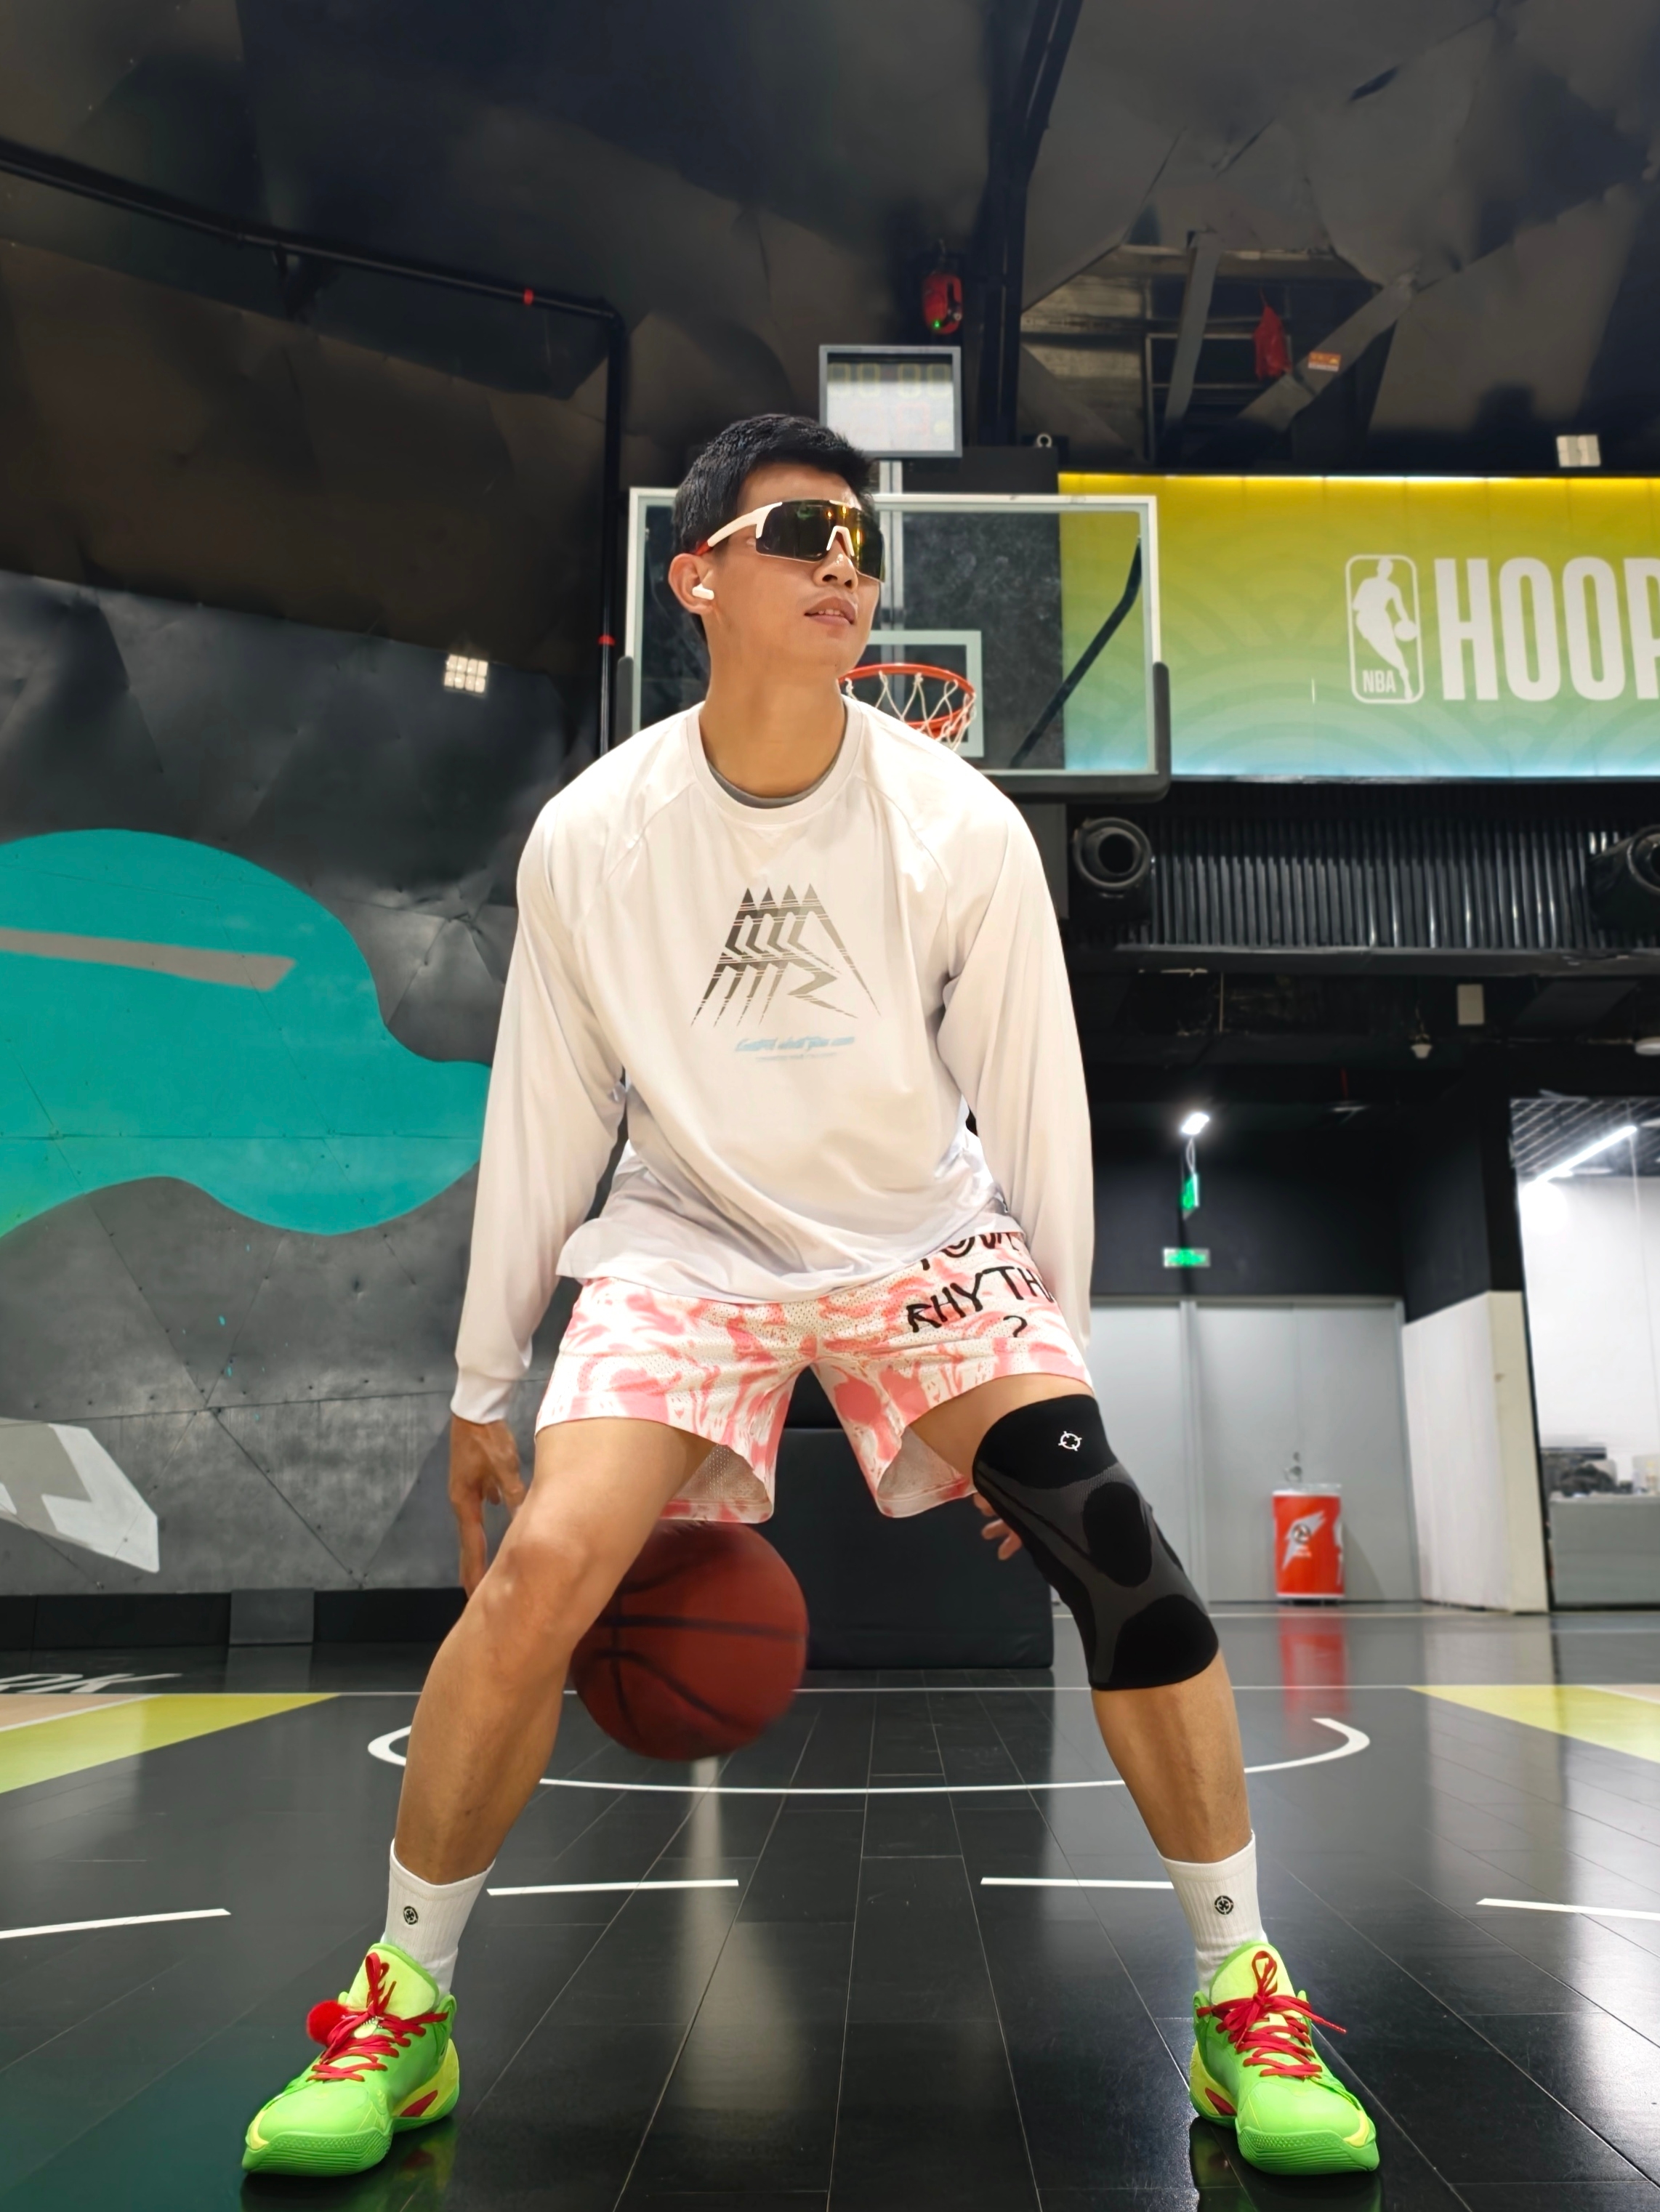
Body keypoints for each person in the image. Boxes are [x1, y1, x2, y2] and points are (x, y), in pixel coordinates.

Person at [242, 415, 1378, 2181]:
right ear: (694, 575)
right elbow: (548, 1116)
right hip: (686, 1235)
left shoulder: (957, 826)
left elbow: (1035, 1105)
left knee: (1109, 1539)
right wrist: (481, 1382)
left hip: (916, 1237)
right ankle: (405, 2007)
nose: (843, 561)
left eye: (859, 537)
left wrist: (1053, 1378)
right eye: (799, 532)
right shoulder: (593, 837)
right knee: (541, 1569)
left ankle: (1244, 1998)